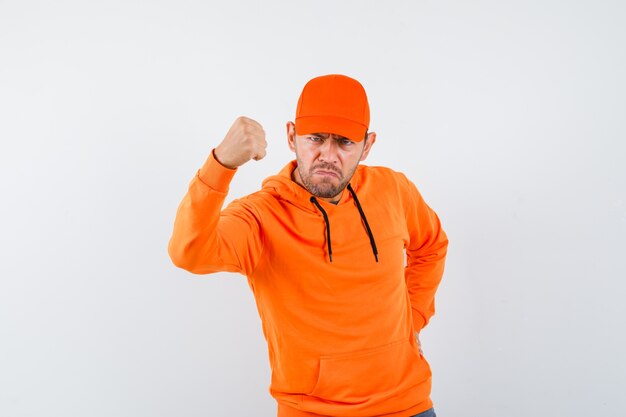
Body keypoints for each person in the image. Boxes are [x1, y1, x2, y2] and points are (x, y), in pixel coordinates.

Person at [168, 74, 448, 417]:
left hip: (408, 406)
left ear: (368, 145)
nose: (327, 156)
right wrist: (221, 164)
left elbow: (432, 245)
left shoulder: (394, 190)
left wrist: (414, 318)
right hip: (313, 411)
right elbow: (189, 252)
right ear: (291, 136)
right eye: (315, 139)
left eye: (344, 143)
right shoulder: (260, 216)